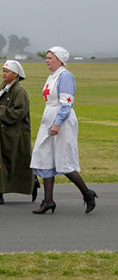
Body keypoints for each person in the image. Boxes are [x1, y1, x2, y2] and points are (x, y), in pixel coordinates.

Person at [30, 46, 97, 214]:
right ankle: (48, 200)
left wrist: (57, 123)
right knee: (44, 156)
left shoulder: (65, 76)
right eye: (46, 57)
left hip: (62, 120)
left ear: (60, 60)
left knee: (63, 161)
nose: (47, 60)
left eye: (50, 57)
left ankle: (87, 194)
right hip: (49, 118)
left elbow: (66, 103)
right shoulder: (52, 76)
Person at [0, 60, 38, 204]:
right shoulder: (3, 88)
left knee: (3, 164)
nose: (4, 73)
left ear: (15, 74)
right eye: (3, 70)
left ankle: (0, 195)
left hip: (12, 136)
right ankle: (28, 184)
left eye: (7, 71)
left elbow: (19, 112)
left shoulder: (19, 91)